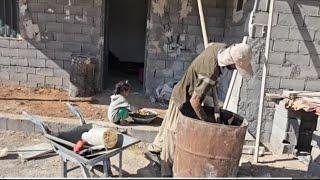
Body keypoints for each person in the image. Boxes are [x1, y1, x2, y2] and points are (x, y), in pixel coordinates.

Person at [145, 42, 254, 177]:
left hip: (182, 91)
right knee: (172, 134)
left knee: (167, 125)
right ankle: (166, 172)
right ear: (231, 62)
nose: (236, 69)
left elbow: (209, 45)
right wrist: (206, 121)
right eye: (236, 67)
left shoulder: (220, 47)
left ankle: (154, 149)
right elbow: (195, 101)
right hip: (182, 98)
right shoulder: (209, 73)